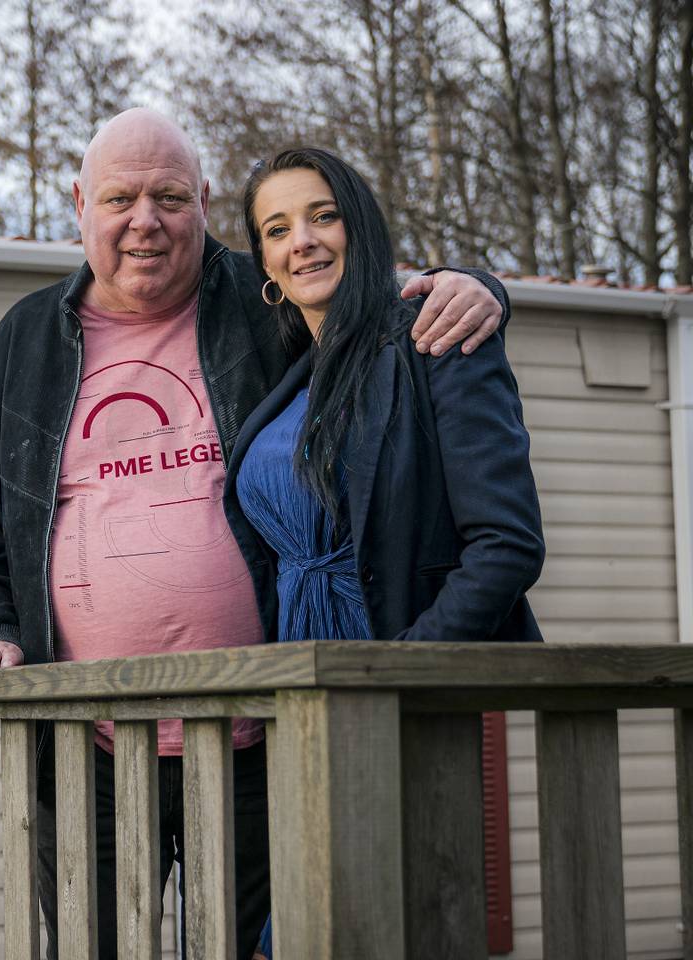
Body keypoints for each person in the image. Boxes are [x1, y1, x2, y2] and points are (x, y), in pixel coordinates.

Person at [0, 108, 510, 960]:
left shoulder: (264, 297)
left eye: (170, 197)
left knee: (268, 945)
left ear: (203, 202)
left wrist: (475, 283)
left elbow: (371, 305)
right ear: (79, 203)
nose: (146, 221)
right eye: (120, 198)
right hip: (87, 745)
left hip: (260, 734)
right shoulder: (23, 341)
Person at [223, 148, 544, 960]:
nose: (304, 240)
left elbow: (506, 546)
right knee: (290, 931)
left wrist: (395, 673)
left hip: (399, 704)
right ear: (262, 261)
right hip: (290, 714)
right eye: (278, 227)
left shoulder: (433, 336)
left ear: (360, 225)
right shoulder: (288, 380)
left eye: (323, 214)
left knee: (389, 928)